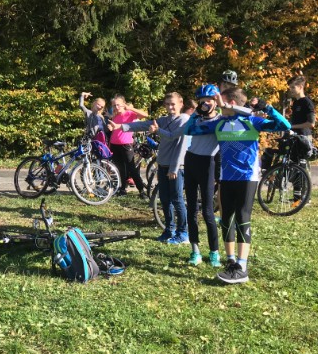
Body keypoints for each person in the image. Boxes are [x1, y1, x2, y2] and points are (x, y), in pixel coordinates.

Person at [185, 87, 290, 284]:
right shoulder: (220, 123)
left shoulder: (252, 121)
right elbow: (189, 130)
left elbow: (284, 125)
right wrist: (197, 113)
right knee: (226, 219)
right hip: (227, 177)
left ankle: (242, 266)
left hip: (247, 177)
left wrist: (267, 107)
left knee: (242, 217)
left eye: (220, 100)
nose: (216, 104)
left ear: (230, 103)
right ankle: (231, 262)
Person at [110, 93, 190, 243]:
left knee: (177, 199)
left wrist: (174, 168)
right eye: (167, 104)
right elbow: (143, 124)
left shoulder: (185, 120)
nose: (170, 107)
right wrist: (120, 126)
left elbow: (173, 137)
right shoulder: (164, 120)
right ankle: (169, 230)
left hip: (176, 166)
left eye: (173, 104)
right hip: (163, 164)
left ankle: (183, 233)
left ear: (181, 104)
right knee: (165, 199)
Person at [183, 85, 222, 267]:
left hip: (207, 163)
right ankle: (195, 250)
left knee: (207, 211)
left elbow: (205, 130)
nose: (205, 104)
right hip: (191, 160)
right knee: (191, 208)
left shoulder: (220, 120)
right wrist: (196, 113)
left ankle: (214, 252)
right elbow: (186, 130)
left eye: (209, 100)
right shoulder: (196, 118)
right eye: (201, 101)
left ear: (216, 102)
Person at [106, 95, 148, 197]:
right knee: (120, 168)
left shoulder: (130, 114)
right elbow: (113, 130)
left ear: (124, 104)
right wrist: (110, 127)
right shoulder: (115, 116)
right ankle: (123, 189)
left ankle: (141, 191)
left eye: (118, 105)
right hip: (114, 144)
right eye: (114, 105)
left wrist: (130, 108)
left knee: (131, 168)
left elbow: (145, 115)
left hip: (126, 144)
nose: (116, 107)